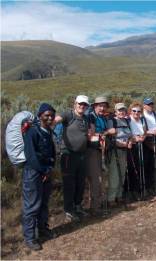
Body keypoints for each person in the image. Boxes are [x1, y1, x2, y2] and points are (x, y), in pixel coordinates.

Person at [22, 103, 56, 250]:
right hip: (33, 173)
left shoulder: (48, 130)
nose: (49, 118)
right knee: (32, 205)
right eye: (47, 115)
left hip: (45, 171)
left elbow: (52, 152)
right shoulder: (32, 132)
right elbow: (31, 156)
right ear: (40, 115)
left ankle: (43, 229)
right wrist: (43, 170)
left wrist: (49, 168)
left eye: (51, 115)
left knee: (43, 202)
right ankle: (29, 238)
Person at [55, 95, 90, 222]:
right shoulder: (68, 115)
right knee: (69, 184)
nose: (82, 106)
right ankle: (69, 211)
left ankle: (77, 206)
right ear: (75, 103)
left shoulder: (85, 118)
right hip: (68, 154)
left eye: (85, 105)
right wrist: (49, 122)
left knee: (80, 183)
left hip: (81, 155)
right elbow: (56, 120)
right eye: (80, 104)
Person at [86, 96, 114, 216]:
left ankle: (98, 205)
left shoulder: (102, 117)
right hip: (93, 151)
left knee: (101, 178)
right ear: (95, 106)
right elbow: (91, 134)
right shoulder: (91, 117)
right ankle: (95, 208)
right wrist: (106, 133)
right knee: (96, 179)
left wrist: (106, 133)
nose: (102, 108)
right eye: (100, 106)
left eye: (104, 106)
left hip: (101, 149)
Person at [106, 103, 133, 207]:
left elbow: (130, 135)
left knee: (122, 172)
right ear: (115, 111)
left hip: (124, 150)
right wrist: (122, 144)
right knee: (114, 175)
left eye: (123, 110)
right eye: (119, 110)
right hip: (115, 151)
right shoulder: (112, 121)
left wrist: (130, 142)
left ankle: (119, 195)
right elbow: (110, 137)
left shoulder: (126, 121)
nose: (121, 112)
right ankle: (111, 198)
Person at [142, 97, 156, 197]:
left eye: (151, 104)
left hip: (155, 140)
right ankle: (145, 187)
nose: (150, 106)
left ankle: (151, 186)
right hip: (145, 141)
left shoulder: (155, 113)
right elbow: (140, 129)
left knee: (152, 164)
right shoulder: (141, 114)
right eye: (148, 104)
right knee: (145, 165)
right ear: (144, 105)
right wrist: (152, 132)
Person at [128, 102, 147, 200]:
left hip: (141, 144)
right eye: (134, 111)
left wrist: (143, 137)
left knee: (141, 167)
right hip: (132, 146)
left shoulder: (142, 120)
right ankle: (132, 191)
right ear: (130, 111)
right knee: (132, 168)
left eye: (139, 111)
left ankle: (140, 190)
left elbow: (144, 132)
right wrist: (134, 138)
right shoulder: (128, 120)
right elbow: (127, 133)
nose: (136, 113)